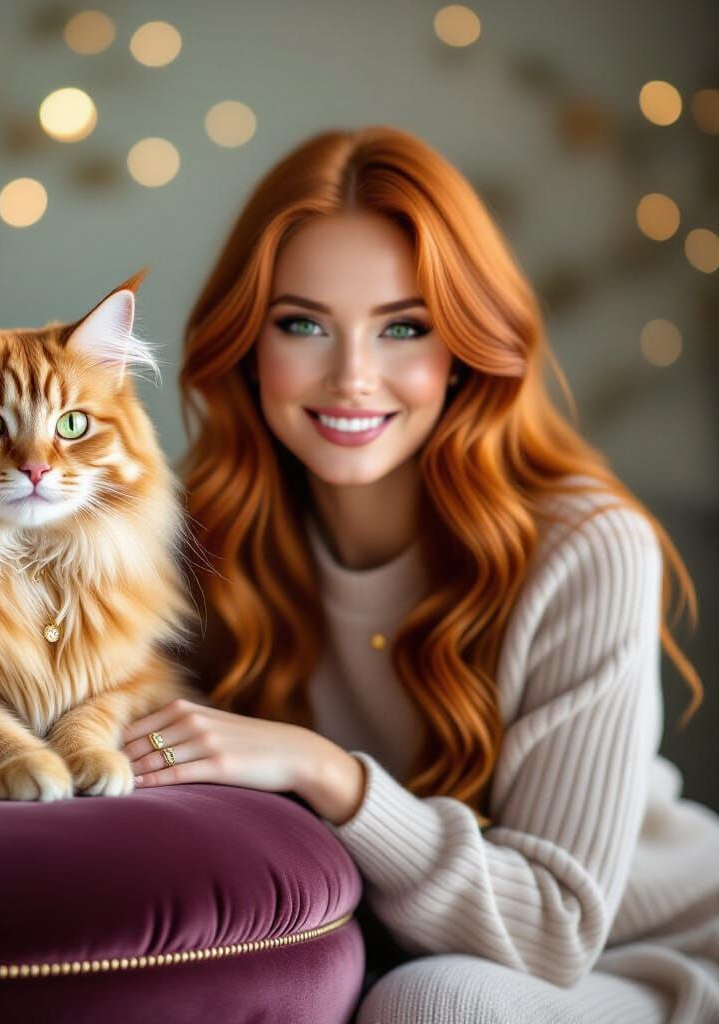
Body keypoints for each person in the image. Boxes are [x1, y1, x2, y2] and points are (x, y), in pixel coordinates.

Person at [119, 126, 719, 1023]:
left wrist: (328, 774)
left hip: (651, 952)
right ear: (246, 342)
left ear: (466, 346)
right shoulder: (198, 537)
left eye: (405, 327)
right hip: (403, 952)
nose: (353, 377)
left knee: (436, 1006)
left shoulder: (586, 546)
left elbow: (555, 935)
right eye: (303, 324)